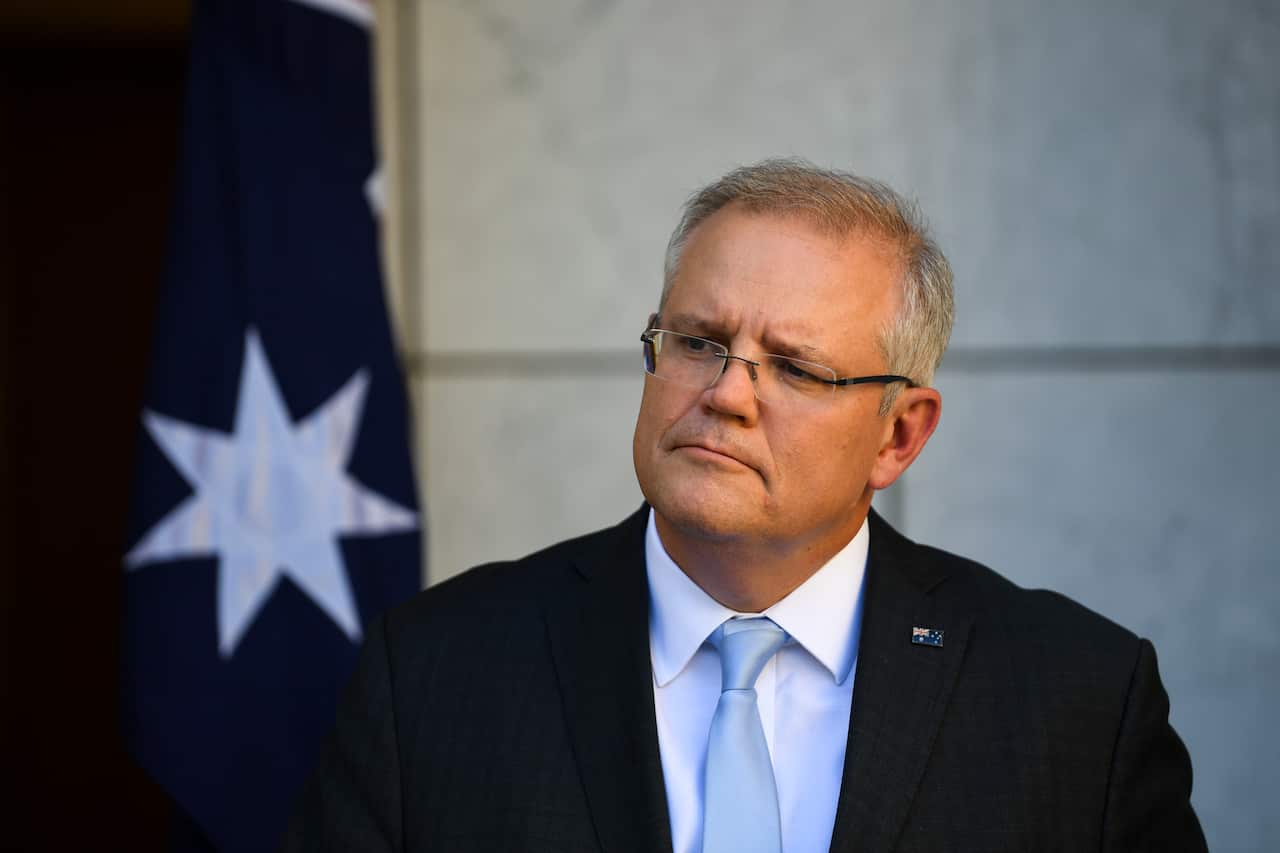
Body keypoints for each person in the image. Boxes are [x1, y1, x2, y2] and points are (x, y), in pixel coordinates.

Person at [283, 159, 1206, 852]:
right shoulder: (437, 671)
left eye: (797, 367)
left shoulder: (1074, 700)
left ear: (899, 437)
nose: (726, 393)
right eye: (698, 340)